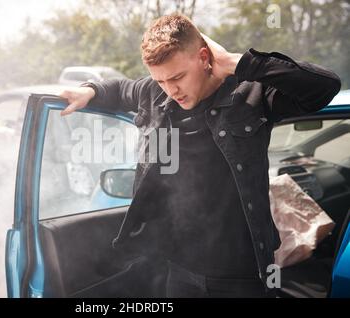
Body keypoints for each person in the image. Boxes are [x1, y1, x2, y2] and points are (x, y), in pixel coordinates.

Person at [58, 14, 341, 297]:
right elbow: (120, 88)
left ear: (204, 56)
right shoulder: (154, 94)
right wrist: (89, 90)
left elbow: (324, 87)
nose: (171, 90)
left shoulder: (249, 95)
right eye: (161, 81)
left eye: (178, 77)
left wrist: (237, 62)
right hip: (179, 269)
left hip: (243, 273)